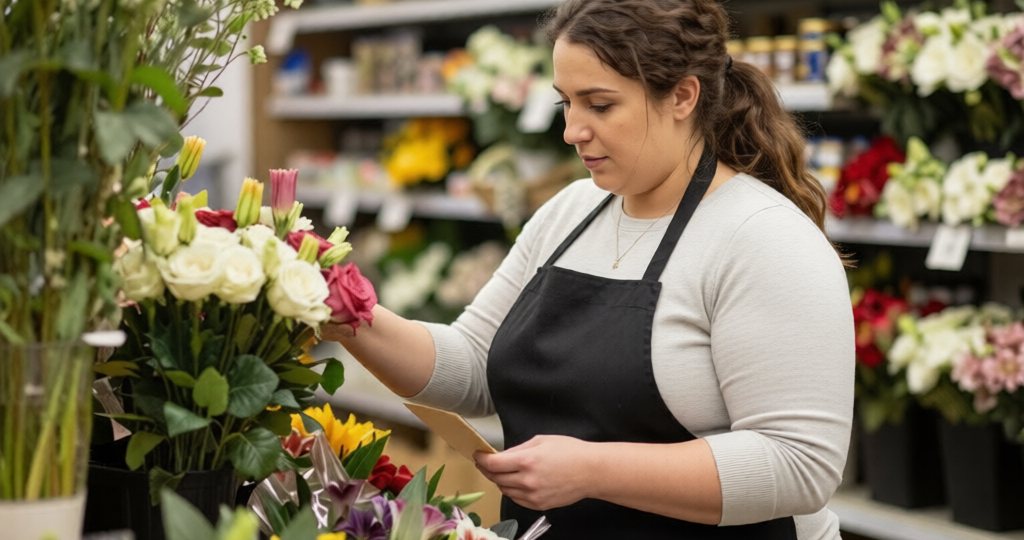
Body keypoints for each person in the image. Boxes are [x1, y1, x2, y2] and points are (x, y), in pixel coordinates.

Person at [323, 0, 854, 538]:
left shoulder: (762, 237)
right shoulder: (572, 210)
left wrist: (592, 470)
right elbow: (473, 366)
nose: (572, 130)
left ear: (683, 96)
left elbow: (798, 464)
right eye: (566, 103)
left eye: (600, 105)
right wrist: (345, 311)